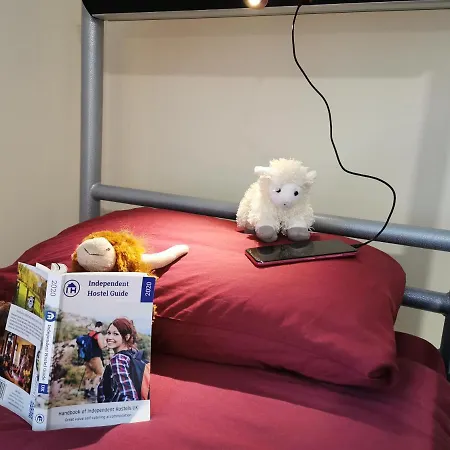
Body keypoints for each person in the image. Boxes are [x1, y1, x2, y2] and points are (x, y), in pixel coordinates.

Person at [97, 318, 141, 403]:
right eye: (108, 333)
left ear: (126, 337)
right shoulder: (133, 353)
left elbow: (130, 397)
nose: (109, 337)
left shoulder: (118, 359)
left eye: (115, 334)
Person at [83, 321, 107, 400]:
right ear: (100, 326)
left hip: (87, 358)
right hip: (95, 357)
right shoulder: (99, 335)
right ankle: (93, 389)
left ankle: (86, 391)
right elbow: (101, 346)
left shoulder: (90, 334)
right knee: (100, 373)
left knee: (88, 375)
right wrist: (106, 344)